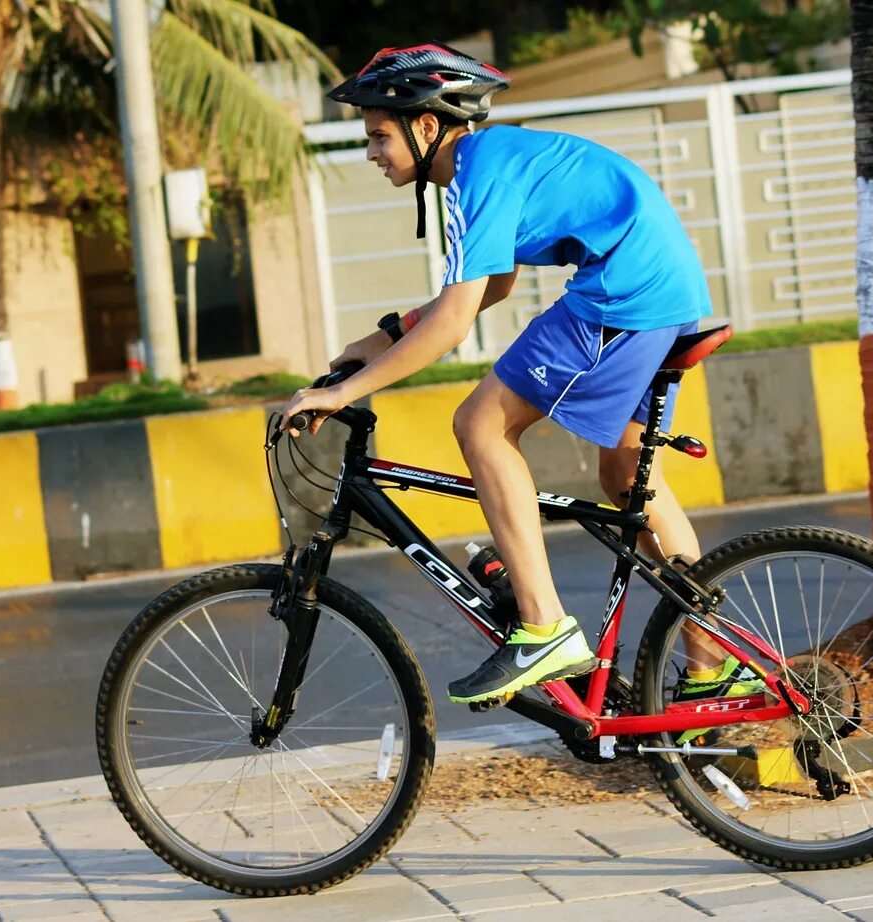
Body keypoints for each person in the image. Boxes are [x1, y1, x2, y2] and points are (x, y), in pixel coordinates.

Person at [278, 42, 761, 719]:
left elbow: (452, 325)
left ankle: (543, 627)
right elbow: (491, 284)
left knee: (480, 424)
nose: (370, 151)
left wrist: (341, 393)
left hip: (623, 294)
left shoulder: (480, 173)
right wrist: (378, 342)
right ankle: (711, 669)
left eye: (379, 135)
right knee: (627, 480)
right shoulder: (485, 166)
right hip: (663, 289)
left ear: (425, 126)